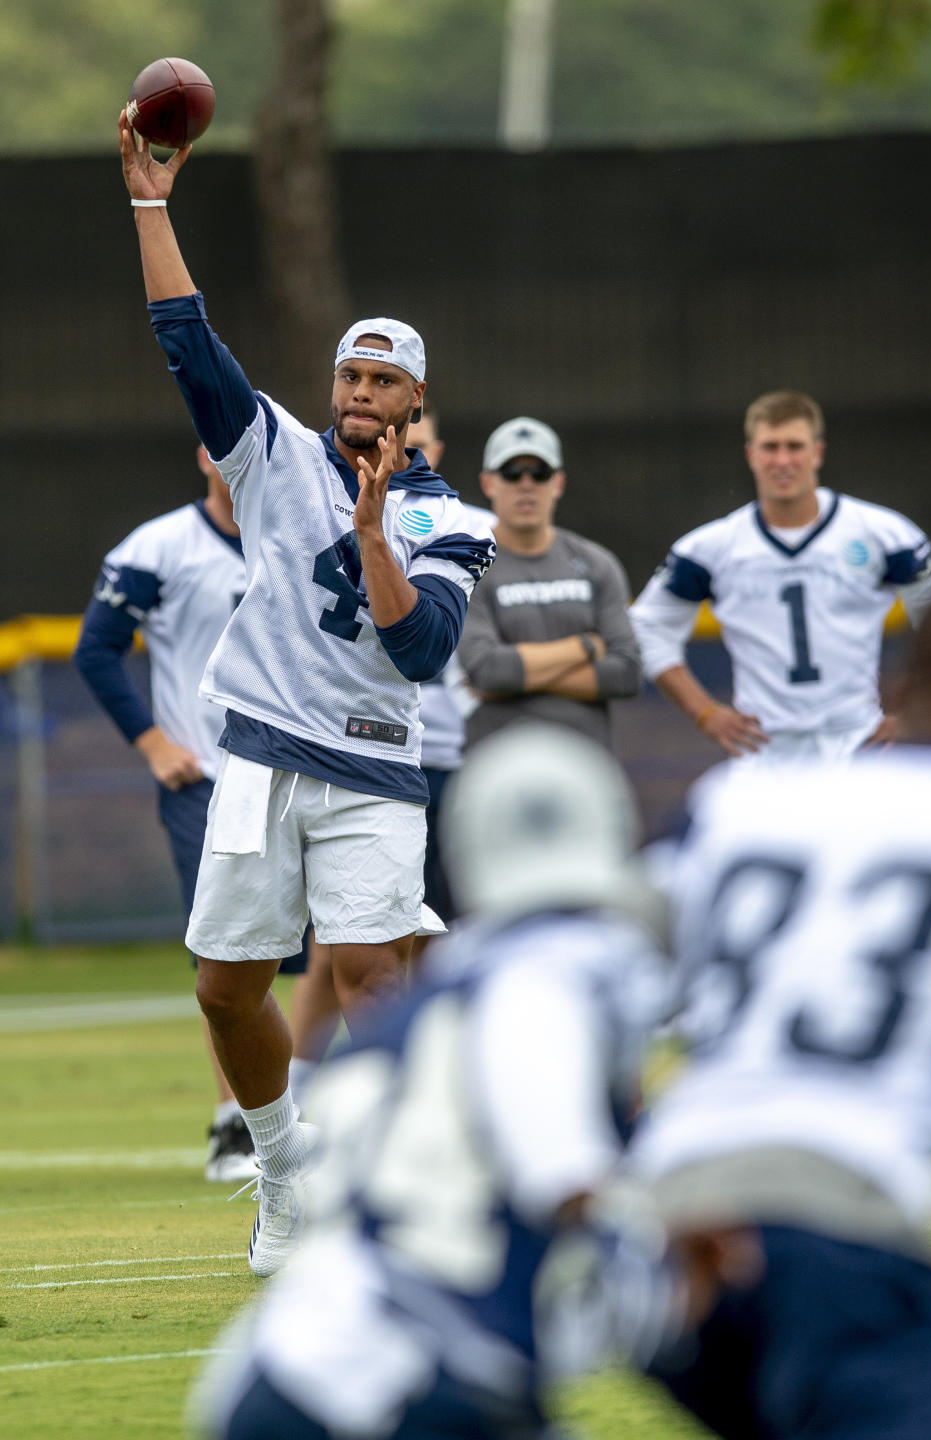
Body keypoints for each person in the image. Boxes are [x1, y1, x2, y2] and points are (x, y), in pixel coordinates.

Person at [117, 114, 495, 1275]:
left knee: (376, 971)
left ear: (416, 398)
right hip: (264, 750)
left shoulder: (449, 519)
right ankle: (284, 1167)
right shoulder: (274, 450)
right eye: (349, 373)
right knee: (228, 990)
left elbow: (421, 648)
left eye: (384, 380)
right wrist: (151, 204)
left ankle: (389, 1177)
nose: (362, 393)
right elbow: (190, 343)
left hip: (376, 763)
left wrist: (378, 528)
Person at [190, 722, 748, 1440]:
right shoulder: (546, 980)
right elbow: (563, 1175)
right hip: (400, 1382)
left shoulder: (436, 992)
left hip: (275, 1366)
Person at [634, 581, 931, 1440]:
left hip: (665, 1227)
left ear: (894, 690)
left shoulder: (743, 801)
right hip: (837, 1221)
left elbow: (592, 965)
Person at [73, 443, 307, 1183]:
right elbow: (96, 649)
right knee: (227, 952)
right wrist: (151, 741)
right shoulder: (160, 545)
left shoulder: (302, 531)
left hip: (300, 771)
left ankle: (293, 1107)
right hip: (209, 776)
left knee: (322, 948)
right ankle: (232, 1125)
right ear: (204, 455)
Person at [630, 389, 931, 761]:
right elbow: (647, 626)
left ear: (818, 452)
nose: (782, 460)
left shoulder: (883, 534)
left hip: (859, 744)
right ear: (751, 455)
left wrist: (913, 716)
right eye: (770, 447)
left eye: (794, 446)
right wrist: (703, 711)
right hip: (764, 749)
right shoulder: (711, 548)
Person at [457, 417, 641, 750]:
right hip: (496, 766)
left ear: (557, 483)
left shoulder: (597, 563)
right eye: (511, 473)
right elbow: (488, 670)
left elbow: (627, 672)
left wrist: (517, 679)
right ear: (488, 483)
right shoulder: (469, 567)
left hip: (586, 764)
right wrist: (584, 647)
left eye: (539, 473)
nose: (526, 484)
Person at [405, 400, 494, 929]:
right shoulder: (345, 510)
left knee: (466, 912)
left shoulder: (475, 527)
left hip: (461, 746)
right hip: (381, 746)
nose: (406, 450)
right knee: (354, 929)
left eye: (418, 444)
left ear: (436, 451)